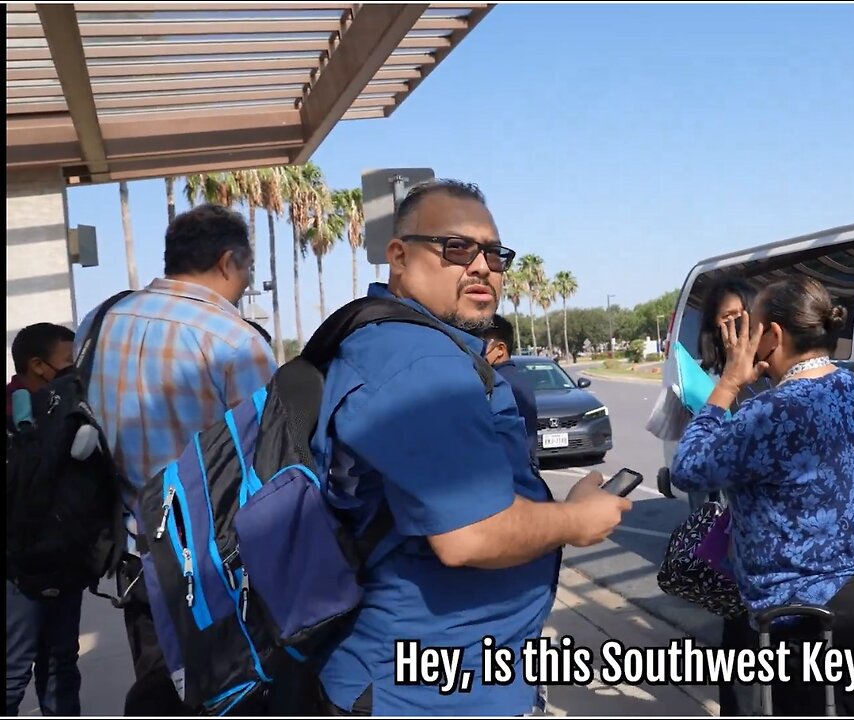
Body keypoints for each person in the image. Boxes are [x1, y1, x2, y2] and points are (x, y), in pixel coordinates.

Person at [309, 179, 631, 716]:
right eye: (456, 248)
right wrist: (576, 521)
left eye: (495, 254)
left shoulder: (408, 346)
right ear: (399, 256)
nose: (482, 266)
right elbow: (470, 536)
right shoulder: (420, 362)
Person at [75, 204, 277, 716]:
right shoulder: (233, 339)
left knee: (159, 690)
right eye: (247, 269)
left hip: (134, 558)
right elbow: (270, 461)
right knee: (235, 692)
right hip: (216, 571)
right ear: (230, 261)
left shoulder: (99, 323)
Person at [670, 276, 854, 716]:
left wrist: (728, 386)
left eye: (752, 329)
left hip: (795, 616)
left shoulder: (771, 411)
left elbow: (688, 467)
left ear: (773, 335)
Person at [6, 323, 83, 717]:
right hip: (20, 571)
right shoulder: (15, 415)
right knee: (12, 670)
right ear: (38, 366)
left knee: (60, 666)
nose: (74, 373)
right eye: (67, 363)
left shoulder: (67, 414)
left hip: (63, 562)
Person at [481, 314, 540, 466]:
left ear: (500, 349)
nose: (477, 350)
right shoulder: (516, 379)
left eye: (482, 344)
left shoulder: (500, 383)